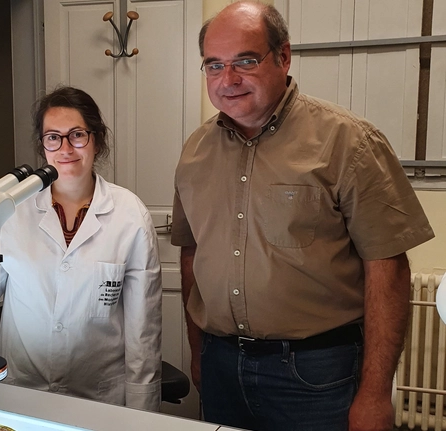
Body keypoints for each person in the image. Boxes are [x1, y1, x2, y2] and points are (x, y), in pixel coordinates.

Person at [171, 2, 435, 430]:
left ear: (284, 56)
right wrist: (197, 350)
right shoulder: (195, 152)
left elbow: (387, 267)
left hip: (316, 375)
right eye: (214, 65)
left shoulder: (348, 141)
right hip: (221, 365)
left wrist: (374, 393)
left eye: (245, 61)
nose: (228, 79)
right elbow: (191, 253)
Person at [0, 86, 162, 411]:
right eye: (53, 137)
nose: (65, 147)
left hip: (99, 398)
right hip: (21, 391)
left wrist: (143, 418)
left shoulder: (130, 215)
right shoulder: (12, 211)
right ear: (43, 144)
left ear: (96, 139)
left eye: (77, 135)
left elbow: (144, 331)